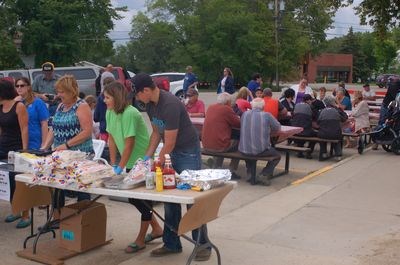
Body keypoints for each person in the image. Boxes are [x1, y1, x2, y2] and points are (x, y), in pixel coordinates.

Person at [132, 73, 211, 261]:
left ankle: (203, 245)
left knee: (191, 198)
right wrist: (146, 158)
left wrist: (158, 161)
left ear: (146, 90)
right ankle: (171, 243)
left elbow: (170, 142)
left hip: (187, 151)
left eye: (136, 94)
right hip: (172, 150)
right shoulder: (150, 105)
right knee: (169, 197)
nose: (136, 98)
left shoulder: (170, 104)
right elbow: (156, 134)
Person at [103, 81, 163, 253]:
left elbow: (129, 144)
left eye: (107, 97)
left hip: (141, 162)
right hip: (129, 162)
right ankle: (157, 229)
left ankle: (141, 239)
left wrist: (120, 167)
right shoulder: (109, 112)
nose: (104, 101)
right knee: (133, 199)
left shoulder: (130, 113)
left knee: (143, 201)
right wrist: (113, 164)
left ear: (116, 97)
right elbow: (112, 138)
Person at [40, 75, 93, 207]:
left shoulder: (82, 106)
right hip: (61, 156)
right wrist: (44, 146)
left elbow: (86, 132)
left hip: (80, 156)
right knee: (58, 188)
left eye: (62, 92)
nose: (59, 95)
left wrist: (67, 145)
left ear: (71, 91)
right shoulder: (60, 106)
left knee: (82, 191)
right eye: (58, 91)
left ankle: (82, 221)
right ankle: (58, 219)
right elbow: (53, 128)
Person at [1, 78, 30, 229]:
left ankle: (25, 214)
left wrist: (24, 150)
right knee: (6, 180)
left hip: (17, 147)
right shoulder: (0, 107)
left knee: (17, 181)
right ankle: (15, 210)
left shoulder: (19, 106)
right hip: (3, 146)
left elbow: (24, 128)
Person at [239, 98, 281, 186]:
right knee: (277, 156)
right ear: (263, 106)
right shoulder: (267, 115)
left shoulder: (244, 114)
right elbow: (277, 127)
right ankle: (264, 174)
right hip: (260, 150)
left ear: (251, 106)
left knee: (248, 148)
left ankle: (250, 173)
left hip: (243, 149)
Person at [202, 92, 241, 179]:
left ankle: (216, 166)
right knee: (239, 143)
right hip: (219, 147)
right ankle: (232, 170)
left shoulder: (211, 107)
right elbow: (238, 124)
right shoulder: (227, 109)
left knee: (220, 139)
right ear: (227, 102)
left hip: (206, 144)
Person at [15, 77, 49, 150]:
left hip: (35, 141)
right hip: (19, 141)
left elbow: (44, 123)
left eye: (22, 85)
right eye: (17, 86)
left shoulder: (38, 102)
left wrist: (44, 143)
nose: (19, 88)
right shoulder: (16, 103)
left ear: (28, 87)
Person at [317, 95, 348, 161]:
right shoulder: (337, 110)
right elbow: (344, 118)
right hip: (335, 134)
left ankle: (324, 152)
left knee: (322, 134)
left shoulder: (321, 111)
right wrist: (340, 108)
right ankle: (338, 154)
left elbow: (318, 122)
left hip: (323, 134)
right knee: (337, 134)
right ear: (333, 102)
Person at [290, 94, 317, 159]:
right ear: (308, 100)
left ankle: (300, 151)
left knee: (301, 129)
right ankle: (309, 152)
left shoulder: (296, 105)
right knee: (315, 134)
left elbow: (292, 114)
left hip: (295, 131)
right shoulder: (310, 107)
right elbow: (315, 116)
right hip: (305, 131)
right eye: (311, 100)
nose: (312, 101)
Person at [94, 75, 115, 142]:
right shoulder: (117, 97)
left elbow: (96, 116)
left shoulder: (101, 98)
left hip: (104, 128)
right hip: (115, 129)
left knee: (104, 148)